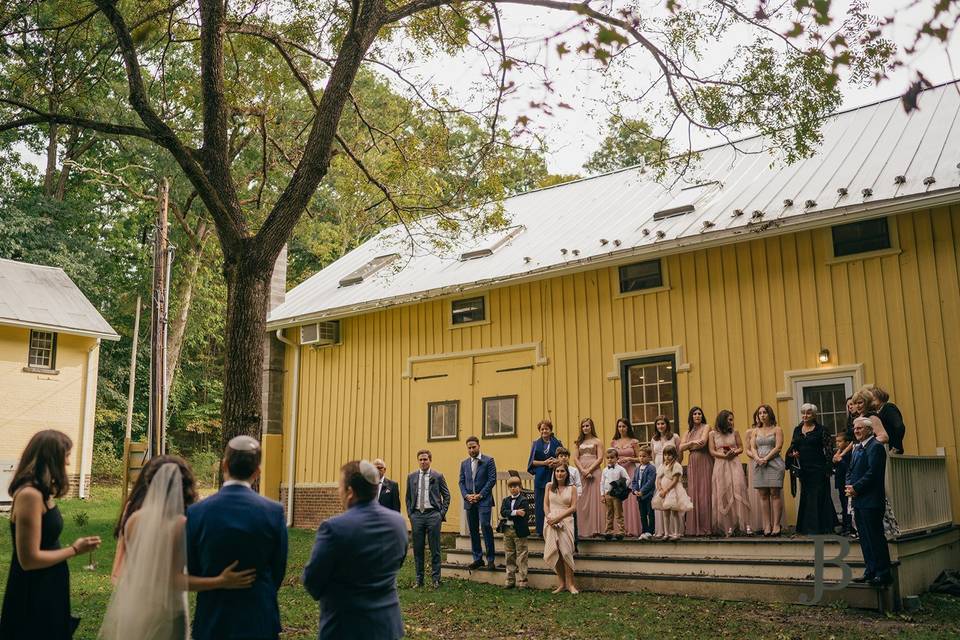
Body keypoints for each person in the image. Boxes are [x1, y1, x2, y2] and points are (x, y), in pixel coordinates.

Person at [102, 456, 254, 640]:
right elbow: (172, 580)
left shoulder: (134, 520)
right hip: (167, 612)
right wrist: (220, 580)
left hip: (134, 607)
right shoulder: (180, 524)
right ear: (186, 485)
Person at [186, 436, 289, 640]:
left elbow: (192, 567)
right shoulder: (273, 511)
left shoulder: (197, 512)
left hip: (213, 618)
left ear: (224, 465)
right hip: (258, 616)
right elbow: (278, 569)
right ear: (257, 472)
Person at [1, 430, 100, 640]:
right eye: (66, 456)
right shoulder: (30, 496)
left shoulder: (42, 493)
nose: (68, 462)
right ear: (51, 458)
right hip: (34, 590)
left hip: (50, 584)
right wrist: (75, 549)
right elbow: (29, 560)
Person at [303, 460, 408, 639]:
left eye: (340, 487)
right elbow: (398, 562)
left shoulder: (334, 528)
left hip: (346, 626)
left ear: (350, 492)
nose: (339, 492)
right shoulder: (398, 523)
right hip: (387, 625)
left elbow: (312, 580)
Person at [846, 417, 892, 586]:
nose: (856, 431)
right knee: (864, 538)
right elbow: (850, 470)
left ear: (869, 430)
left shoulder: (876, 448)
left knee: (875, 538)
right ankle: (870, 570)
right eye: (855, 428)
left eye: (860, 428)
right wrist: (849, 485)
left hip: (872, 501)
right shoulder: (858, 449)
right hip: (858, 501)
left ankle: (883, 572)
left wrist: (856, 487)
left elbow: (873, 473)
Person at [787, 404, 837, 535]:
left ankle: (823, 527)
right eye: (803, 412)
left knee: (820, 495)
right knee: (807, 496)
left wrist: (828, 467)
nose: (805, 415)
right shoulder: (797, 430)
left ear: (814, 415)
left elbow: (828, 449)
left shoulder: (821, 429)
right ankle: (807, 527)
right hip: (804, 469)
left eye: (808, 413)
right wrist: (794, 453)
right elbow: (793, 446)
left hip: (818, 467)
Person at [406, 449, 450, 588]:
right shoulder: (411, 476)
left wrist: (441, 514)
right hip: (417, 516)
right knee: (418, 549)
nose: (423, 461)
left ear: (430, 460)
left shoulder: (437, 476)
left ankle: (436, 579)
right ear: (418, 461)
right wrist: (410, 514)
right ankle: (419, 579)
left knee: (435, 548)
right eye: (421, 459)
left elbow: (447, 495)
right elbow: (408, 497)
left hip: (433, 515)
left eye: (425, 459)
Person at [710, 410, 751, 536]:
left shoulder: (735, 432)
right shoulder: (712, 434)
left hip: (734, 464)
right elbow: (712, 451)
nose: (732, 422)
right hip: (720, 464)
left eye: (732, 419)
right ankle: (728, 525)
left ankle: (743, 524)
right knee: (724, 492)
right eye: (730, 420)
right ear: (723, 420)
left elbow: (741, 447)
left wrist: (734, 452)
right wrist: (722, 455)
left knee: (738, 489)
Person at [459, 436, 497, 570]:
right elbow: (461, 482)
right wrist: (466, 495)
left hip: (484, 500)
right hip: (470, 501)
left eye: (473, 447)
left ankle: (491, 559)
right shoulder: (464, 464)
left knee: (486, 526)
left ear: (479, 446)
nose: (471, 450)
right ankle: (477, 558)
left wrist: (480, 495)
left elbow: (492, 480)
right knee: (473, 529)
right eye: (469, 448)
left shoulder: (489, 461)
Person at [750, 404, 785, 537]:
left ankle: (776, 524)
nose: (762, 415)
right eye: (760, 413)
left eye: (765, 412)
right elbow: (752, 447)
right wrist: (757, 458)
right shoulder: (755, 431)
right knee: (763, 495)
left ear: (770, 414)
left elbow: (778, 447)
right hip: (759, 464)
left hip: (774, 463)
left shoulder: (777, 429)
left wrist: (766, 458)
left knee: (775, 493)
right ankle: (766, 525)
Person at [543, 466, 578, 594]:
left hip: (566, 521)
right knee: (555, 550)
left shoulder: (572, 488)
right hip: (550, 522)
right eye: (557, 471)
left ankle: (571, 584)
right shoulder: (548, 486)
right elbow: (546, 505)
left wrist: (559, 518)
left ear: (567, 473)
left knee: (566, 552)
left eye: (562, 471)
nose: (559, 473)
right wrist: (549, 518)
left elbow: (573, 507)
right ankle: (562, 583)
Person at [527, 420, 563, 536]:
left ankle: (554, 527)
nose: (544, 431)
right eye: (542, 429)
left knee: (554, 502)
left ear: (550, 430)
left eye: (546, 429)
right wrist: (545, 463)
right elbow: (532, 462)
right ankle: (540, 530)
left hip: (554, 475)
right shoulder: (536, 444)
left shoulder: (557, 442)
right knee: (540, 503)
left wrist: (555, 462)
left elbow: (563, 458)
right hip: (541, 476)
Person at [681, 407, 713, 536]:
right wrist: (692, 442)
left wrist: (689, 444)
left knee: (705, 492)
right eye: (695, 414)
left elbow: (703, 443)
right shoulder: (688, 431)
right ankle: (696, 527)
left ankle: (707, 527)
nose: (698, 416)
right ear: (691, 416)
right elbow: (681, 447)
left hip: (705, 460)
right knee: (694, 493)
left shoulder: (707, 427)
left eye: (700, 413)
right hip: (693, 462)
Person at [653, 445, 693, 540]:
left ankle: (676, 533)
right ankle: (666, 533)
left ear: (674, 455)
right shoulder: (663, 465)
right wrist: (660, 489)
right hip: (663, 491)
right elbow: (658, 478)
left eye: (669, 455)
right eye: (665, 455)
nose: (667, 457)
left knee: (674, 512)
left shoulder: (676, 465)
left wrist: (666, 490)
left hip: (672, 491)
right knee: (665, 512)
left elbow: (675, 480)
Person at [649, 416, 681, 538]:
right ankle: (663, 530)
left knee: (672, 499)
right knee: (661, 497)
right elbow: (653, 455)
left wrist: (673, 468)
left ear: (667, 424)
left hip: (672, 469)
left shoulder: (675, 437)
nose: (660, 426)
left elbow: (679, 454)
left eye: (663, 423)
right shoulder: (654, 439)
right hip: (659, 466)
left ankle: (676, 531)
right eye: (658, 424)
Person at [573, 418, 603, 539]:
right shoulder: (578, 442)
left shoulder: (597, 441)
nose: (585, 428)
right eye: (583, 426)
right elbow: (575, 458)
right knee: (582, 499)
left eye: (587, 426)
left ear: (591, 427)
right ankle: (582, 528)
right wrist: (583, 471)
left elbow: (600, 458)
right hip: (582, 472)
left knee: (595, 500)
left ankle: (596, 529)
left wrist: (590, 470)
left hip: (594, 471)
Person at [611, 418, 642, 537]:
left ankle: (633, 528)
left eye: (624, 426)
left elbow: (640, 458)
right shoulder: (614, 442)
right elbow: (610, 457)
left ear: (628, 427)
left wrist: (629, 459)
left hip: (631, 471)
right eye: (619, 426)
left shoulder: (634, 441)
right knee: (618, 499)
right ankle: (620, 529)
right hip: (618, 473)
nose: (621, 429)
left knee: (631, 500)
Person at [499, 477, 530, 589]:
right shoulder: (505, 500)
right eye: (511, 487)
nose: (513, 489)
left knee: (522, 554)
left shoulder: (523, 500)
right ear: (509, 488)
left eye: (515, 486)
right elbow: (503, 512)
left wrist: (510, 513)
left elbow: (524, 515)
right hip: (507, 530)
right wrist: (516, 512)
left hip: (519, 530)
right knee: (509, 554)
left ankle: (523, 580)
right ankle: (510, 579)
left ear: (520, 487)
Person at [556, 447, 582, 551]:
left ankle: (574, 544)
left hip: (571, 499)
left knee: (572, 521)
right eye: (561, 456)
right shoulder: (556, 471)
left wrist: (577, 497)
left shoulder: (574, 470)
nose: (563, 458)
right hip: (559, 500)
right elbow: (553, 485)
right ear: (557, 458)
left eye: (565, 456)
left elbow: (579, 485)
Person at [600, 447, 629, 540]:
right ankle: (609, 531)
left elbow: (628, 479)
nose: (610, 459)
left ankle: (621, 531)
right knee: (609, 513)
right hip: (607, 494)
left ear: (617, 458)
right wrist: (602, 495)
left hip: (616, 494)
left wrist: (620, 487)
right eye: (608, 458)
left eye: (612, 457)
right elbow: (602, 482)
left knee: (618, 513)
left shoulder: (621, 469)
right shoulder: (605, 470)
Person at [631, 446, 656, 539]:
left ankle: (650, 531)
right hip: (639, 496)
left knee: (650, 513)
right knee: (642, 514)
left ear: (649, 457)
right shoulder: (637, 468)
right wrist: (635, 490)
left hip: (648, 495)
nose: (641, 458)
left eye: (644, 456)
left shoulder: (651, 468)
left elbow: (650, 482)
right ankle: (644, 530)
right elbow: (634, 481)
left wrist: (642, 491)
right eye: (640, 456)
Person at [873, 386, 906, 454]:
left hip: (892, 451)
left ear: (880, 397)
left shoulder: (888, 408)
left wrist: (896, 447)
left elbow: (900, 427)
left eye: (873, 398)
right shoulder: (877, 412)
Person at [833, 431, 855, 536]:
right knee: (843, 504)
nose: (837, 443)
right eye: (836, 441)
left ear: (847, 442)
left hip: (847, 482)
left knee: (848, 505)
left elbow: (849, 467)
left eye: (840, 441)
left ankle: (849, 527)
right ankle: (845, 525)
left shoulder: (849, 453)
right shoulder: (839, 452)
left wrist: (840, 460)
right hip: (840, 482)